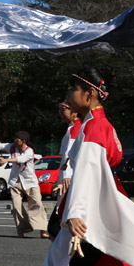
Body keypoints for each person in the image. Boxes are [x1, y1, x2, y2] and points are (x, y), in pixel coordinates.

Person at [41, 69, 134, 266]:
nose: (68, 96)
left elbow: (88, 172)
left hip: (93, 207)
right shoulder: (103, 124)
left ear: (89, 94)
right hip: (103, 200)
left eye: (72, 91)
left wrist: (76, 212)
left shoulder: (92, 127)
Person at [0, 131, 49, 239]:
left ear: (23, 141)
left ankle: (42, 231)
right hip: (15, 181)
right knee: (16, 207)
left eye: (17, 140)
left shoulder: (29, 151)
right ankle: (22, 229)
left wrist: (6, 160)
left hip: (30, 181)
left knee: (37, 204)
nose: (14, 141)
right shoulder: (12, 147)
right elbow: (0, 145)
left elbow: (21, 159)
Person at [47, 101, 82, 239]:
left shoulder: (76, 128)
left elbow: (69, 154)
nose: (61, 113)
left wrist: (67, 175)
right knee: (58, 226)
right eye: (59, 109)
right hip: (66, 180)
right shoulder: (71, 128)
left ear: (74, 111)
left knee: (57, 227)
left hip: (70, 181)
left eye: (64, 109)